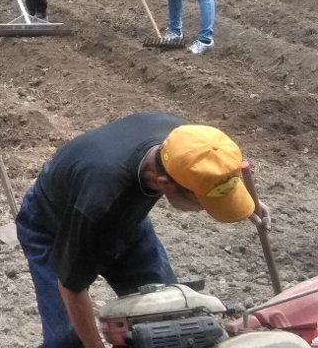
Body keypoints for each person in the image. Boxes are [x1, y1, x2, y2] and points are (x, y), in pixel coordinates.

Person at [16, 112, 270, 348]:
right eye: (202, 204)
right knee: (68, 339)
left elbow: (218, 172)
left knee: (170, 314)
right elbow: (71, 287)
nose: (203, 210)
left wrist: (246, 201)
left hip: (126, 220)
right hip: (53, 228)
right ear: (164, 184)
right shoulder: (100, 200)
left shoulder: (186, 142)